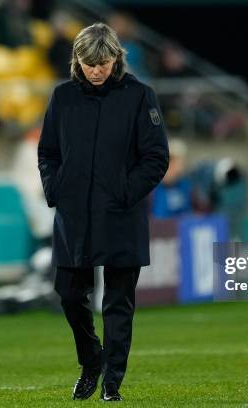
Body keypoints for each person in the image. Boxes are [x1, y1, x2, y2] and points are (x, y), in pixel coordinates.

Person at [37, 23, 169, 402]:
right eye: (89, 63)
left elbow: (156, 157)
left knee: (117, 302)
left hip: (120, 214)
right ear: (77, 61)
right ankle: (91, 359)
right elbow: (48, 152)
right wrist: (56, 190)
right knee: (67, 293)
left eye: (103, 63)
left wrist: (126, 193)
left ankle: (112, 380)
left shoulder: (141, 96)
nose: (96, 70)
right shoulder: (61, 97)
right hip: (74, 216)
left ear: (116, 58)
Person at [151, 138, 192, 219]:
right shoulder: (152, 186)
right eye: (179, 162)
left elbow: (188, 213)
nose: (181, 168)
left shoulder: (184, 185)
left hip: (178, 228)